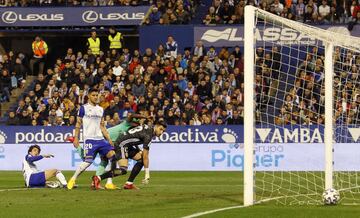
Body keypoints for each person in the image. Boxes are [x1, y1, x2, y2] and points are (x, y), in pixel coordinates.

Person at [67, 112, 151, 189]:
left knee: (104, 161)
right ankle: (107, 183)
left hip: (109, 139)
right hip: (106, 138)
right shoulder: (127, 123)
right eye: (139, 122)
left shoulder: (133, 128)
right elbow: (132, 116)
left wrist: (138, 150)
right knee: (99, 159)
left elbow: (131, 141)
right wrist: (144, 116)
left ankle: (96, 182)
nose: (140, 124)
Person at [92, 121, 167, 190]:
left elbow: (134, 136)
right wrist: (147, 174)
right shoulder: (149, 135)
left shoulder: (146, 127)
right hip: (122, 144)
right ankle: (98, 178)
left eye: (163, 131)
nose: (161, 132)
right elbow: (146, 156)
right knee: (123, 170)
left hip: (126, 144)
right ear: (156, 126)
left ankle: (129, 183)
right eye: (161, 129)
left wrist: (138, 150)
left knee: (141, 160)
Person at [67, 88, 115, 190]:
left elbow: (102, 126)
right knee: (88, 162)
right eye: (93, 95)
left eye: (97, 95)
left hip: (101, 139)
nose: (95, 97)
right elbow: (78, 124)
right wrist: (76, 138)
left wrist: (109, 138)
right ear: (88, 96)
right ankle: (73, 179)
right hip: (89, 139)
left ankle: (109, 182)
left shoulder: (101, 109)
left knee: (113, 157)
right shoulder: (83, 108)